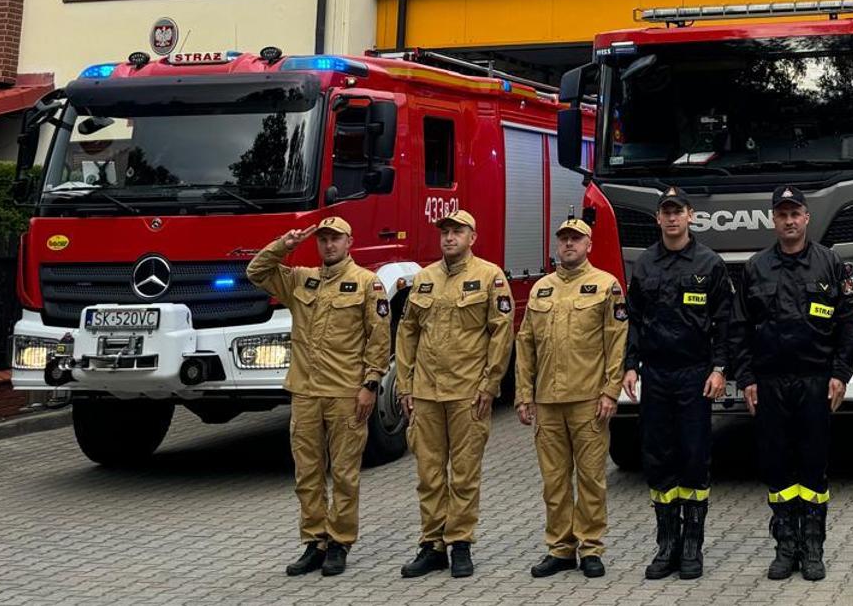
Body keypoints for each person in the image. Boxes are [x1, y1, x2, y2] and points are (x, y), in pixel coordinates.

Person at [245, 217, 390, 578]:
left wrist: (370, 385)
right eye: (323, 239)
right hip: (306, 391)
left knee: (343, 473)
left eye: (335, 239)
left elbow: (379, 338)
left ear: (349, 242)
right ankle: (314, 542)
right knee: (307, 473)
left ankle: (339, 543)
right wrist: (286, 242)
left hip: (345, 393)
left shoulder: (366, 284)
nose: (328, 245)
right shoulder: (300, 279)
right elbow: (256, 270)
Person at [737, 185, 853, 582]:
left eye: (795, 213)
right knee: (777, 467)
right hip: (771, 383)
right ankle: (785, 546)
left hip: (815, 381)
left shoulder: (829, 264)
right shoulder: (756, 267)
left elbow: (847, 324)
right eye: (782, 214)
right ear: (773, 220)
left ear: (807, 217)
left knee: (813, 467)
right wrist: (747, 379)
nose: (789, 221)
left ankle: (812, 548)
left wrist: (841, 374)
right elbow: (739, 329)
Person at [621, 186, 743, 580]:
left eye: (678, 211)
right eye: (665, 212)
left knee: (694, 456)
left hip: (695, 374)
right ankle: (666, 544)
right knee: (658, 459)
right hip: (656, 374)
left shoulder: (709, 263)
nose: (672, 218)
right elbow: (635, 320)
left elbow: (726, 322)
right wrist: (630, 365)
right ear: (658, 219)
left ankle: (692, 545)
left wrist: (721, 368)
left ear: (691, 215)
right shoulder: (645, 265)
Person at [394, 210, 515, 580]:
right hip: (427, 393)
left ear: (472, 237)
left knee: (463, 474)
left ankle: (460, 543)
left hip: (467, 393)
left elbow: (501, 333)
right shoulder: (424, 279)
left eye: (457, 231)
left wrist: (489, 384)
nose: (449, 237)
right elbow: (407, 333)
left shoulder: (490, 277)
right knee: (429, 474)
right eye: (444, 231)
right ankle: (432, 545)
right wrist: (405, 384)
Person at [516, 217, 628, 579]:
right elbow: (526, 344)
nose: (569, 245)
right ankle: (560, 548)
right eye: (564, 239)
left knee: (591, 479)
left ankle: (591, 547)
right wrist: (523, 394)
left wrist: (611, 391)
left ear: (589, 245)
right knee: (554, 480)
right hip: (547, 401)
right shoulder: (541, 290)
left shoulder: (605, 286)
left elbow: (616, 343)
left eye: (576, 239)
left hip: (588, 400)